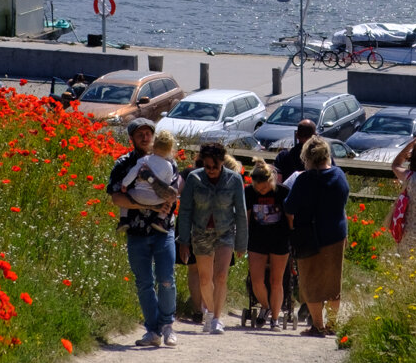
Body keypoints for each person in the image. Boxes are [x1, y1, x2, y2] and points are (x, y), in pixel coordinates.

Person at [106, 119, 179, 349]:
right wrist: (150, 206)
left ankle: (167, 325)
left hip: (163, 229)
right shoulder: (124, 163)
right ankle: (153, 330)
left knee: (166, 279)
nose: (145, 137)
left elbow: (173, 194)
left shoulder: (169, 162)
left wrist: (162, 207)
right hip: (136, 231)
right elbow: (116, 197)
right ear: (132, 138)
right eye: (140, 134)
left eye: (149, 133)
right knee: (144, 283)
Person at [176, 138, 247, 335]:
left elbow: (241, 212)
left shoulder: (234, 180)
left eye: (215, 166)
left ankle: (216, 318)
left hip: (225, 233)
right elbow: (185, 211)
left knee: (221, 276)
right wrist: (183, 241)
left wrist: (241, 244)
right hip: (200, 233)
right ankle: (207, 312)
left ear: (222, 162)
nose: (211, 170)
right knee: (205, 279)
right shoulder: (194, 179)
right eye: (207, 166)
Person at [282, 136, 349, 337]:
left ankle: (317, 326)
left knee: (310, 281)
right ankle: (333, 324)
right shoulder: (339, 175)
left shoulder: (304, 180)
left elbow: (289, 206)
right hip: (336, 234)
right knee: (333, 281)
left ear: (307, 157)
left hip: (309, 236)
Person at [245, 162, 292, 328]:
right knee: (257, 279)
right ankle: (265, 307)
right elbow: (247, 218)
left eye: (264, 187)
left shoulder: (283, 192)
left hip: (279, 239)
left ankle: (275, 318)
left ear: (271, 182)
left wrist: (293, 237)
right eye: (258, 188)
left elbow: (289, 218)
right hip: (257, 239)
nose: (261, 191)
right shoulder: (249, 193)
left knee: (276, 280)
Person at [120, 128, 179, 207]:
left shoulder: (144, 160)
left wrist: (125, 184)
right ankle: (161, 217)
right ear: (170, 150)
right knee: (168, 199)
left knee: (128, 192)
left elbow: (133, 173)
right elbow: (166, 185)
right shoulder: (169, 166)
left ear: (153, 145)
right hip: (155, 198)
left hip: (139, 195)